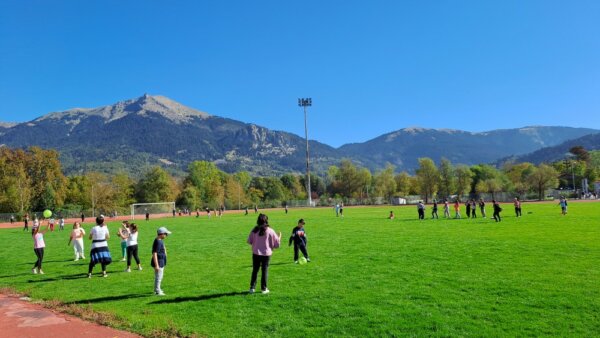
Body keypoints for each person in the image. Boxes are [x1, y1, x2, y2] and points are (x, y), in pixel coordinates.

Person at [247, 214, 281, 294]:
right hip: (266, 254)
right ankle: (264, 289)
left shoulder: (254, 230)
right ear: (266, 221)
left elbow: (249, 241)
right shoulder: (270, 231)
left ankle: (252, 288)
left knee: (255, 270)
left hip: (256, 253)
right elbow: (277, 245)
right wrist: (279, 237)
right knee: (264, 271)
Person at [152, 226, 171, 296]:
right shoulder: (158, 242)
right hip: (159, 262)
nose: (167, 235)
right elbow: (154, 253)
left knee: (158, 276)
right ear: (161, 234)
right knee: (159, 277)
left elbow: (162, 247)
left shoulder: (159, 240)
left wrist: (165, 251)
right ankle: (157, 290)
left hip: (161, 261)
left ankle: (156, 288)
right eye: (166, 234)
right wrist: (157, 265)